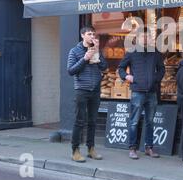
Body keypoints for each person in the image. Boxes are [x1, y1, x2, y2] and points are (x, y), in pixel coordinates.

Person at [118, 27, 165, 159]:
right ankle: (132, 148)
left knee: (150, 121)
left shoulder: (155, 52)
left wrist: (155, 80)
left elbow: (162, 69)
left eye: (147, 36)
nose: (145, 39)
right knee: (134, 121)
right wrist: (127, 77)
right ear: (137, 38)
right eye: (142, 36)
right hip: (137, 92)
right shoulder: (131, 52)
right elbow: (121, 68)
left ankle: (149, 148)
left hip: (151, 93)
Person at [67, 25, 108, 162]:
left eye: (93, 34)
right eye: (89, 34)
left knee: (93, 121)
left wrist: (98, 53)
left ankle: (91, 149)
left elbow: (104, 67)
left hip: (95, 90)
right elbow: (71, 70)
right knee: (79, 121)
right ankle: (75, 151)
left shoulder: (96, 49)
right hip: (82, 90)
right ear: (83, 35)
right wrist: (85, 58)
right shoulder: (74, 51)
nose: (92, 36)